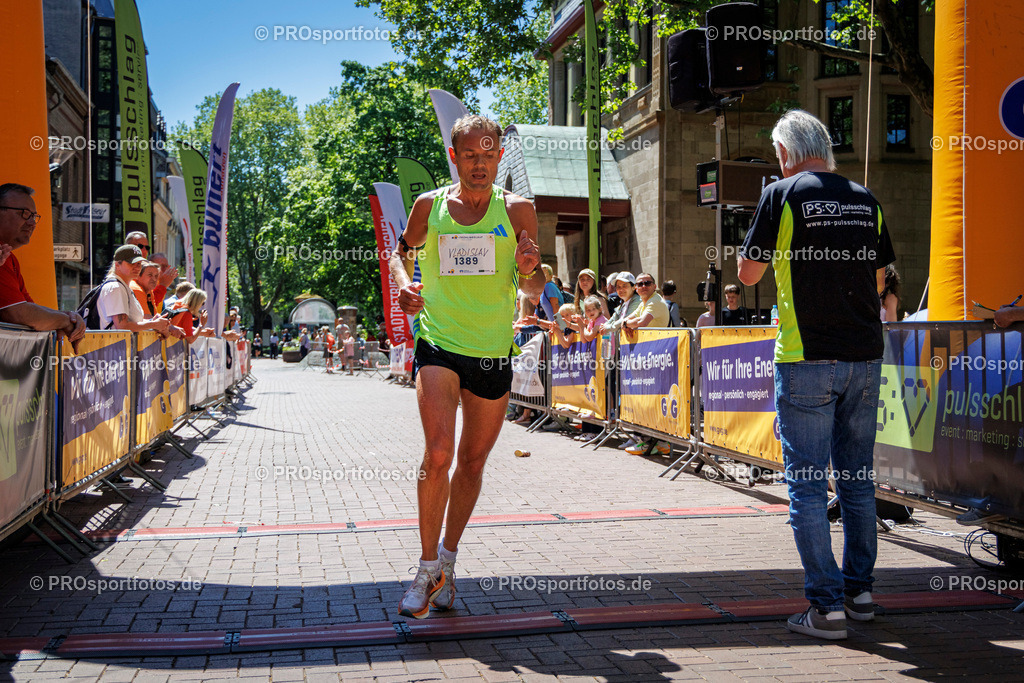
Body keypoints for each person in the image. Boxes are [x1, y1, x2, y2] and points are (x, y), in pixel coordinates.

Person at [737, 109, 896, 640]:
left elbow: (748, 272)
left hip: (806, 356)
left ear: (784, 153)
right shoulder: (864, 196)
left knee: (806, 485)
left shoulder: (781, 194)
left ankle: (824, 607)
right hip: (864, 355)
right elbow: (879, 276)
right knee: (856, 480)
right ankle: (861, 594)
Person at [389, 114, 543, 620]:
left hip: (494, 350)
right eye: (470, 155)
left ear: (500, 156)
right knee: (438, 453)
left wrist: (529, 271)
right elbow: (399, 252)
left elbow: (534, 285)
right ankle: (426, 564)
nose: (480, 163)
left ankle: (448, 565)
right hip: (439, 342)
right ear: (454, 157)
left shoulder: (518, 209)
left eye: (489, 154)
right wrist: (403, 283)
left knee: (471, 465)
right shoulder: (428, 206)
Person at [0, 183, 86, 345]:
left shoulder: (9, 258)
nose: (32, 223)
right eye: (24, 214)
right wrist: (66, 321)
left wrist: (65, 317)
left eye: (34, 216)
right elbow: (19, 315)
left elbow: (28, 309)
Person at [622, 273, 672, 457]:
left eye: (647, 283)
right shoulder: (644, 302)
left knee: (652, 402)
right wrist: (628, 323)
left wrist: (629, 323)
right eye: (640, 284)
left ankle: (655, 442)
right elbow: (625, 321)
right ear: (635, 288)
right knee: (646, 401)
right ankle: (656, 442)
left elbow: (641, 322)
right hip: (647, 359)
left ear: (654, 285)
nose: (643, 286)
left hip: (656, 358)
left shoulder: (655, 301)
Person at [95, 245, 182, 336]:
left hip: (122, 348)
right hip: (114, 348)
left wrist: (154, 322)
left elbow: (134, 322)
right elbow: (122, 327)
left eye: (139, 264)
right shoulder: (116, 287)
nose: (137, 268)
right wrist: (154, 324)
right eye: (131, 263)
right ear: (117, 265)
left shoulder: (123, 287)